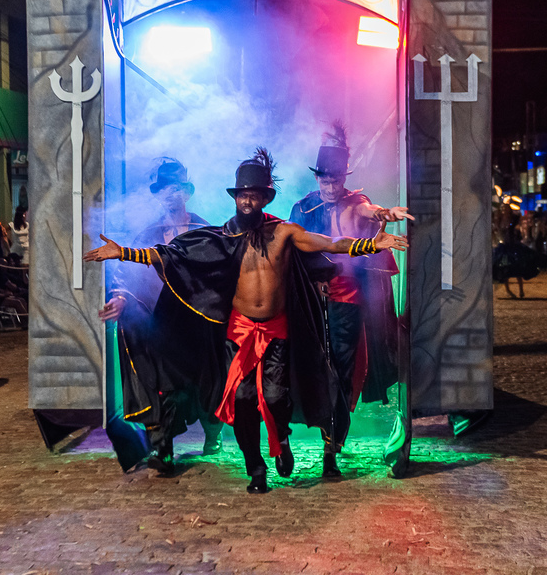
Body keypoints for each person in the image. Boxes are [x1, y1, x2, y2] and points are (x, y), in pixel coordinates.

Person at [84, 148, 407, 493]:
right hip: (239, 333)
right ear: (236, 199)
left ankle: (280, 438)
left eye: (253, 195)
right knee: (242, 401)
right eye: (242, 196)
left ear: (265, 198)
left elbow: (329, 243)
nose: (247, 201)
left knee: (276, 397)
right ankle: (256, 469)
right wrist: (124, 253)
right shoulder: (224, 237)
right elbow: (174, 255)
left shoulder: (284, 232)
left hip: (276, 331)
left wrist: (371, 244)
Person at [289, 127, 411, 477]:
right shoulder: (303, 208)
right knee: (310, 367)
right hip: (311, 302)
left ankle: (332, 446)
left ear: (344, 178)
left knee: (340, 372)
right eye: (325, 179)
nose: (330, 186)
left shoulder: (355, 202)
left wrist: (384, 213)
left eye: (336, 179)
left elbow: (367, 211)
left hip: (347, 300)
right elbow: (293, 252)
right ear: (317, 178)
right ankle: (296, 432)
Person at [98, 158, 221, 466]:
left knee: (207, 378)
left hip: (199, 321)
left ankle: (212, 432)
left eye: (175, 188)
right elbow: (129, 275)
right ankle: (162, 446)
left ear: (187, 192)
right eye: (163, 189)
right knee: (167, 383)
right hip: (163, 322)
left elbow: (220, 272)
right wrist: (121, 299)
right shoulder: (148, 234)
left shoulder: (205, 229)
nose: (169, 194)